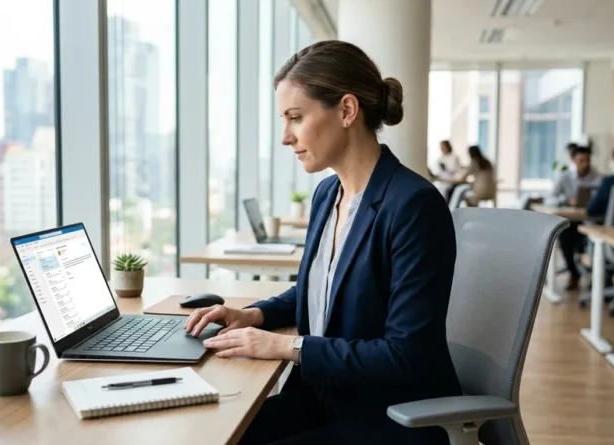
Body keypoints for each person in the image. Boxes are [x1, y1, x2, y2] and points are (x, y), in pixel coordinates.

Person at [184, 40, 460, 444]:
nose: (285, 137)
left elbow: (405, 356)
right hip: (326, 396)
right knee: (212, 432)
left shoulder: (413, 205)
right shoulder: (327, 194)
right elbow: (317, 291)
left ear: (347, 110)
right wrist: (253, 316)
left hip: (388, 416)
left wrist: (285, 346)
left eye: (295, 118)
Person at [548, 146, 601, 290]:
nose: (585, 164)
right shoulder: (564, 177)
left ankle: (598, 279)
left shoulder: (598, 178)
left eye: (587, 160)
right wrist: (566, 200)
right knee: (564, 238)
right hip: (570, 223)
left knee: (598, 242)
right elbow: (549, 199)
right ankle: (574, 272)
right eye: (581, 160)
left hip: (591, 222)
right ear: (573, 160)